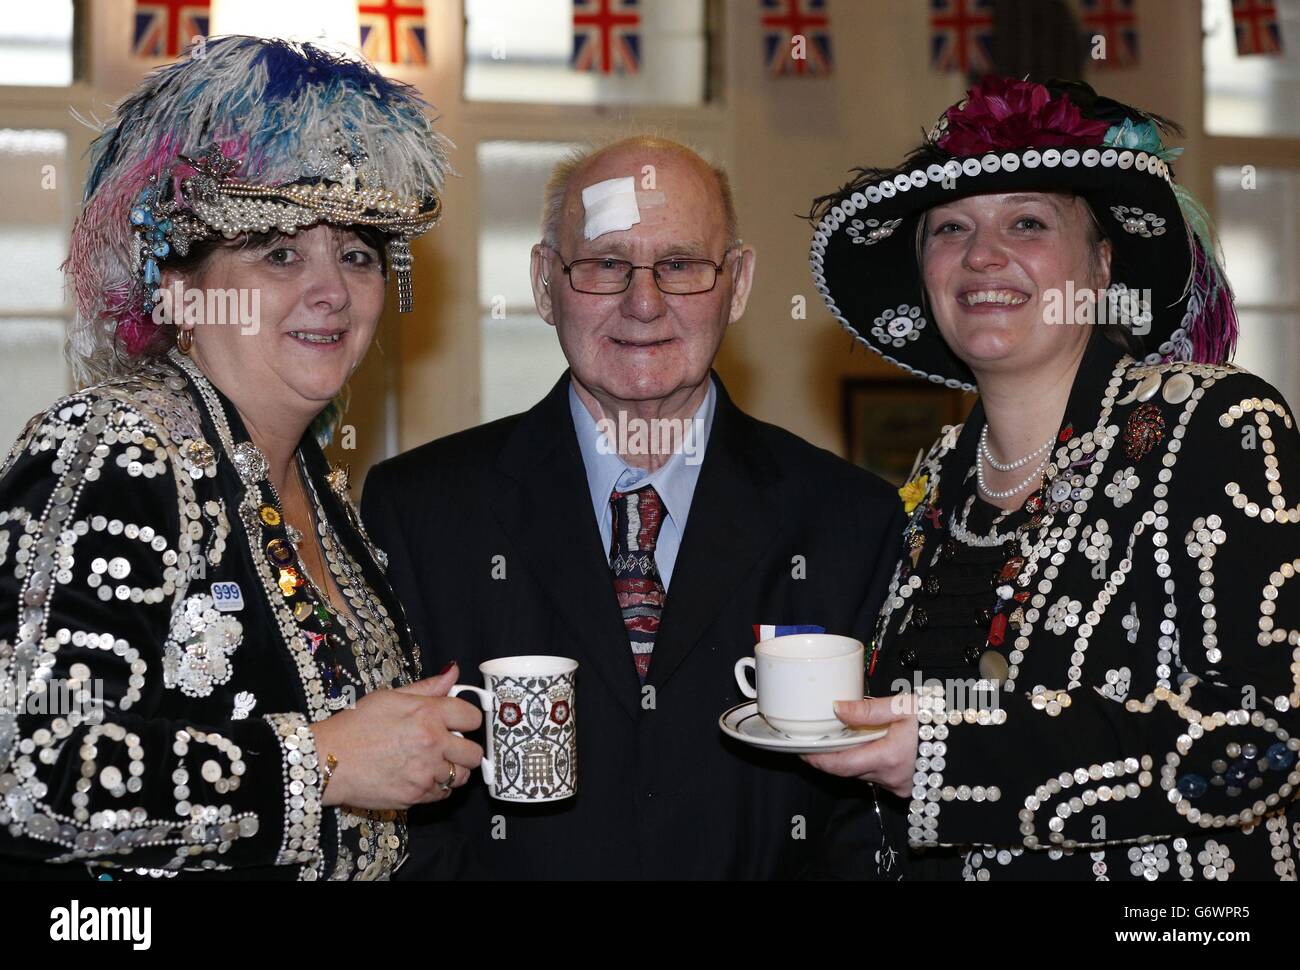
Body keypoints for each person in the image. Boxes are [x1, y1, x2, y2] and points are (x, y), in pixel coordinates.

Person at [0, 36, 483, 881]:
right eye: (279, 252)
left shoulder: (318, 490)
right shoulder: (117, 450)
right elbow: (26, 779)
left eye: (358, 255)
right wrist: (324, 760)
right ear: (180, 289)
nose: (331, 290)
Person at [362, 135, 905, 879]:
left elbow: (868, 822)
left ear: (738, 283)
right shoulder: (421, 510)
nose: (642, 303)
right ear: (545, 284)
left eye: (680, 266)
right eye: (605, 264)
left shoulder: (852, 519)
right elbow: (398, 817)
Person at [802, 76, 1299, 880]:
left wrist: (954, 755)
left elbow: (1265, 734)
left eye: (1026, 222)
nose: (981, 256)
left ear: (1102, 265)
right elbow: (959, 708)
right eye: (950, 229)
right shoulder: (935, 480)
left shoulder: (1214, 422)